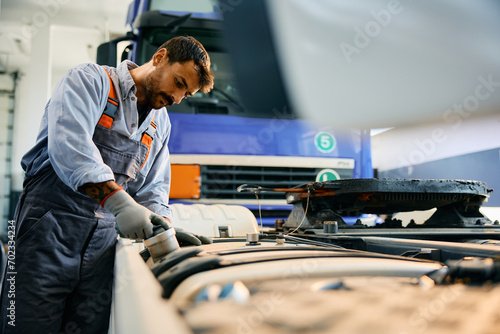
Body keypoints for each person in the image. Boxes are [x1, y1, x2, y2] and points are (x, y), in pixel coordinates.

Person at [0, 36, 214, 334]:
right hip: (47, 231)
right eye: (179, 82)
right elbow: (69, 146)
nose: (178, 98)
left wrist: (163, 230)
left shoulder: (159, 123)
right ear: (160, 57)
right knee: (26, 322)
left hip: (101, 248)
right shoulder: (90, 80)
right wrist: (119, 203)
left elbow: (152, 188)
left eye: (186, 94)